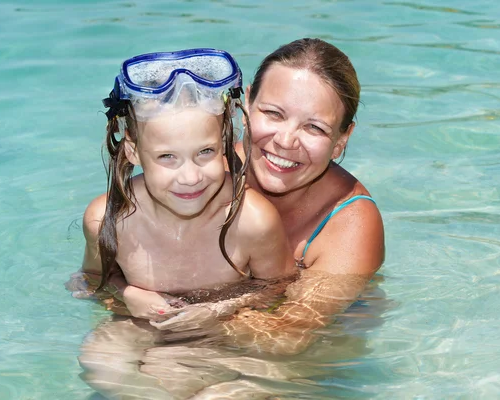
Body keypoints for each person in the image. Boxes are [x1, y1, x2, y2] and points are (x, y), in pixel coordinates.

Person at [107, 38, 386, 356]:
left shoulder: (350, 223)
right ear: (246, 105)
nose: (285, 141)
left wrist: (205, 313)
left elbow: (289, 335)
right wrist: (124, 293)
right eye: (274, 114)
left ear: (341, 139)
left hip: (304, 353)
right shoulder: (200, 170)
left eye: (314, 128)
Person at [75, 48, 298, 399]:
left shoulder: (251, 220)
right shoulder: (109, 218)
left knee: (199, 384)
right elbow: (91, 282)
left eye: (205, 152)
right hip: (143, 326)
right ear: (133, 151)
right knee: (100, 360)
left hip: (227, 333)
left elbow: (282, 294)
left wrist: (219, 309)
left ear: (225, 138)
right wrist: (127, 294)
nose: (190, 176)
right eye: (167, 157)